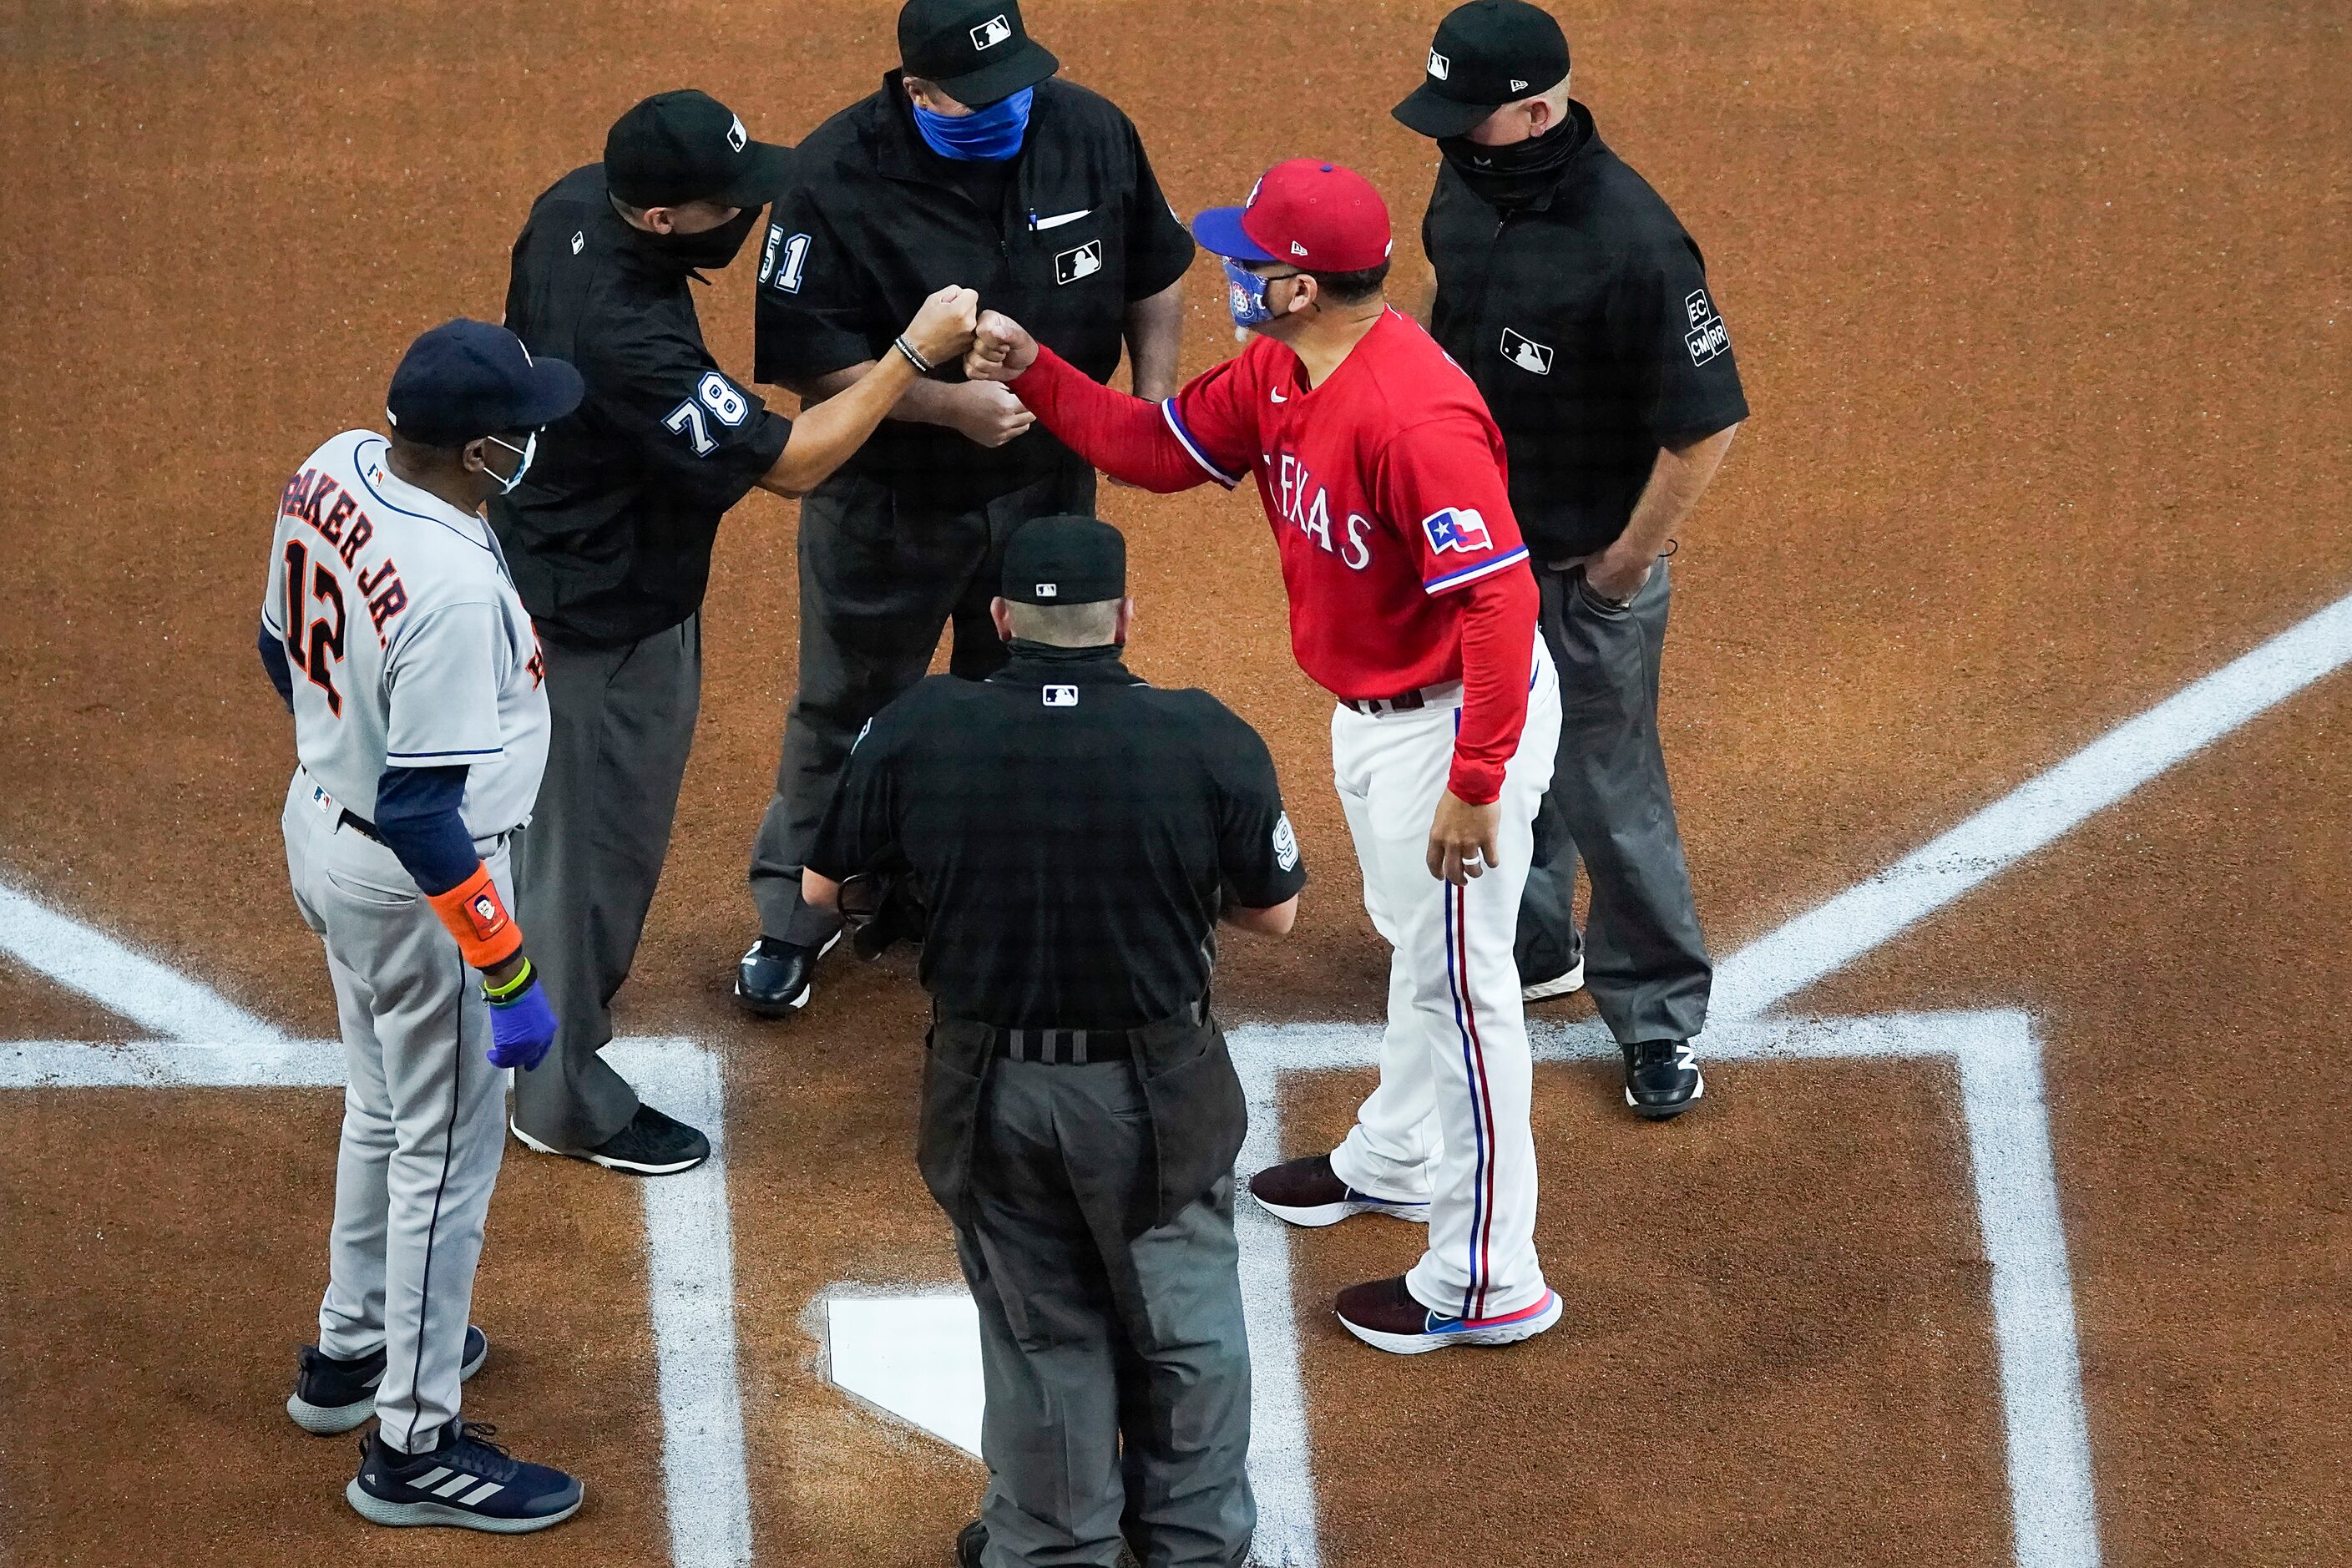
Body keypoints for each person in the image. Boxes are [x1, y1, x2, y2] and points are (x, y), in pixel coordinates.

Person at [967, 160, 1567, 1354]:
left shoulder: (1411, 417)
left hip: (1455, 722)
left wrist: (1474, 783)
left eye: (1247, 256)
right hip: (1383, 717)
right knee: (1424, 950)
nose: (1229, 269)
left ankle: (1489, 1273)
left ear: (1294, 283)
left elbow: (1502, 604)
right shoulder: (1286, 367)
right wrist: (1032, 366)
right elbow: (1153, 449)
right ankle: (1396, 1153)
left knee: (1466, 989)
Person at [490, 89, 979, 1175]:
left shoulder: (571, 205)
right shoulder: (623, 332)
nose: (749, 210)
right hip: (595, 624)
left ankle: (543, 1056)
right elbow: (794, 463)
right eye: (728, 200)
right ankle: (559, 1096)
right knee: (588, 868)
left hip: (579, 564)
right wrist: (909, 352)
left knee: (572, 854)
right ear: (660, 219)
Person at [802, 516, 1302, 1568]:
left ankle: (1053, 1547)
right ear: (1124, 618)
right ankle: (1199, 1548)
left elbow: (819, 889)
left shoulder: (920, 725)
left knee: (1044, 1336)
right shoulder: (1206, 735)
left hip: (992, 1088)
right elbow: (1274, 914)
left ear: (1000, 618)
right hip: (1159, 1092)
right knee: (1188, 1327)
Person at [736, 0, 1197, 1016]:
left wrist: (1149, 404)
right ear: (918, 92)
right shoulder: (831, 177)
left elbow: (1156, 273)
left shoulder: (1088, 128)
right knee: (849, 708)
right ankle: (795, 916)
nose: (1008, 108)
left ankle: (982, 895)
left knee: (1026, 702)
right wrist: (948, 409)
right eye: (978, 97)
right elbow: (814, 367)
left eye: (1016, 83)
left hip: (1046, 494)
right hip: (887, 504)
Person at [1395, 0, 1747, 1118]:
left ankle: (1654, 1016)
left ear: (1537, 109)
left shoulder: (1632, 241)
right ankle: (1536, 940)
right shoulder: (1465, 182)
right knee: (1487, 750)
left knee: (1607, 786)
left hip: (1581, 569)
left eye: (1471, 115)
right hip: (1477, 556)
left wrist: (1626, 563)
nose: (1449, 135)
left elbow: (1706, 424)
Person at [266, 319, 584, 1530]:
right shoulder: (451, 589)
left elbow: (276, 645)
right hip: (416, 884)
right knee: (446, 1161)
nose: (534, 439)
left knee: (386, 1109)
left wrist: (337, 744)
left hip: (323, 830)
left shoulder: (334, 463)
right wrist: (505, 969)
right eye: (522, 425)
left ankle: (349, 1348)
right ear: (479, 445)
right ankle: (411, 1441)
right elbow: (423, 810)